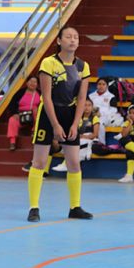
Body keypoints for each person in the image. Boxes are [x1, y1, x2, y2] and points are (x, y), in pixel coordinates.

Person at [27, 26, 92, 222]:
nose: (73, 40)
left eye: (76, 37)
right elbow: (46, 96)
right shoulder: (48, 63)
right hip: (48, 114)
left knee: (73, 162)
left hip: (70, 114)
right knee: (39, 162)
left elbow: (82, 98)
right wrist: (55, 125)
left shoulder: (83, 66)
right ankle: (34, 207)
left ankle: (75, 207)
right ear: (59, 41)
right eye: (68, 37)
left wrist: (75, 123)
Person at [51, 97, 100, 172]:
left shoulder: (94, 118)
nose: (87, 107)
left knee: (79, 143)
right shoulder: (78, 118)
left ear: (92, 107)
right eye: (85, 105)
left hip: (90, 140)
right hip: (79, 139)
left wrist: (83, 136)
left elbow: (95, 134)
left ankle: (66, 164)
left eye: (89, 105)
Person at [7, 75, 41, 151]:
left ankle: (34, 132)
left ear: (37, 84)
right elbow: (12, 104)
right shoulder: (20, 92)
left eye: (35, 82)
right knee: (12, 120)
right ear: (26, 83)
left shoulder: (40, 93)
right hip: (21, 116)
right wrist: (14, 113)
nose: (32, 83)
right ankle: (12, 142)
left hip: (34, 116)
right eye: (31, 81)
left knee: (37, 111)